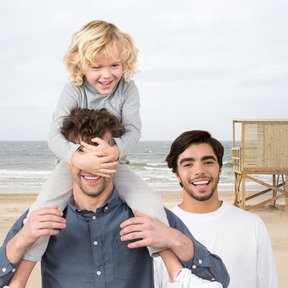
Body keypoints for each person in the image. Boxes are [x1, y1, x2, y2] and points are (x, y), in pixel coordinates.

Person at [8, 20, 180, 287]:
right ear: (80, 65)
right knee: (42, 213)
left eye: (114, 65)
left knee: (149, 201)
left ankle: (175, 271)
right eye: (96, 66)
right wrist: (80, 158)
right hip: (72, 166)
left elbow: (133, 131)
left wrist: (114, 151)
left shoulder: (128, 90)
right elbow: (54, 136)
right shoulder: (72, 90)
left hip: (113, 165)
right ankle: (18, 280)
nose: (107, 74)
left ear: (126, 63)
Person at [0, 109, 229, 288]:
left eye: (101, 156)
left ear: (116, 159)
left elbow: (219, 279)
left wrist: (174, 239)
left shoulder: (147, 216)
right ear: (67, 161)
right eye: (83, 156)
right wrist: (21, 240)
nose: (93, 167)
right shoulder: (40, 217)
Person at [154, 130, 279, 288]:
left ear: (220, 169)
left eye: (208, 162)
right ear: (177, 174)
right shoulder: (161, 229)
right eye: (188, 164)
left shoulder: (252, 225)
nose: (199, 171)